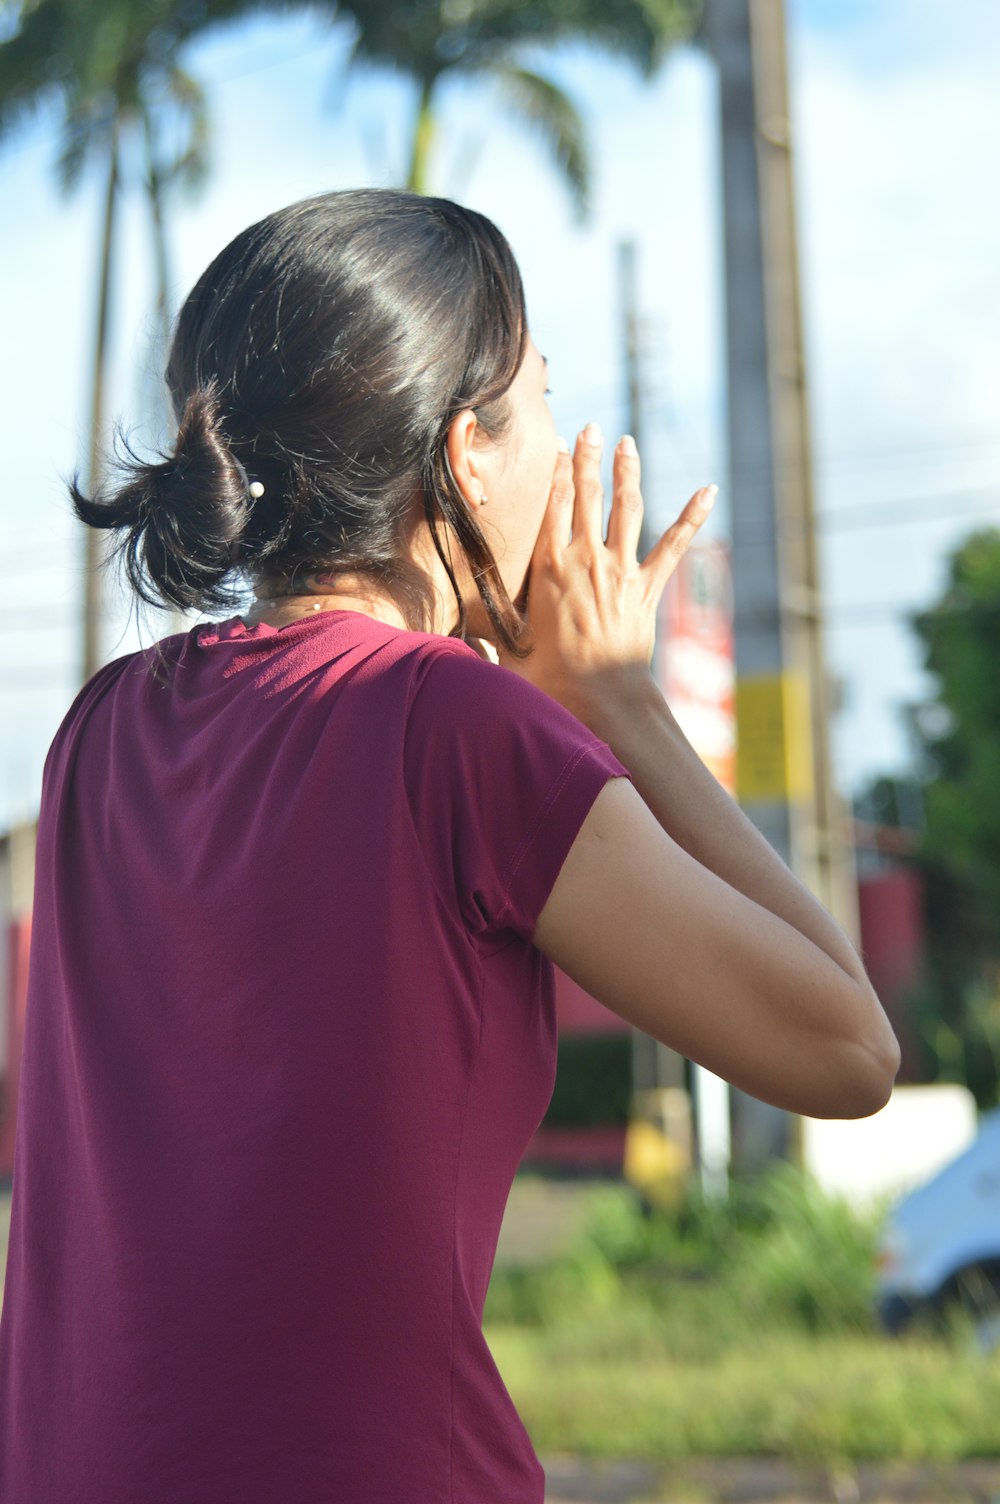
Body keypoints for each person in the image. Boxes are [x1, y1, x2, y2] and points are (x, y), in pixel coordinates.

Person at [0, 188, 900, 1503]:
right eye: (542, 396)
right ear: (467, 450)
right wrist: (621, 706)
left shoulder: (99, 732)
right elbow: (848, 1047)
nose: (564, 443)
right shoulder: (458, 733)